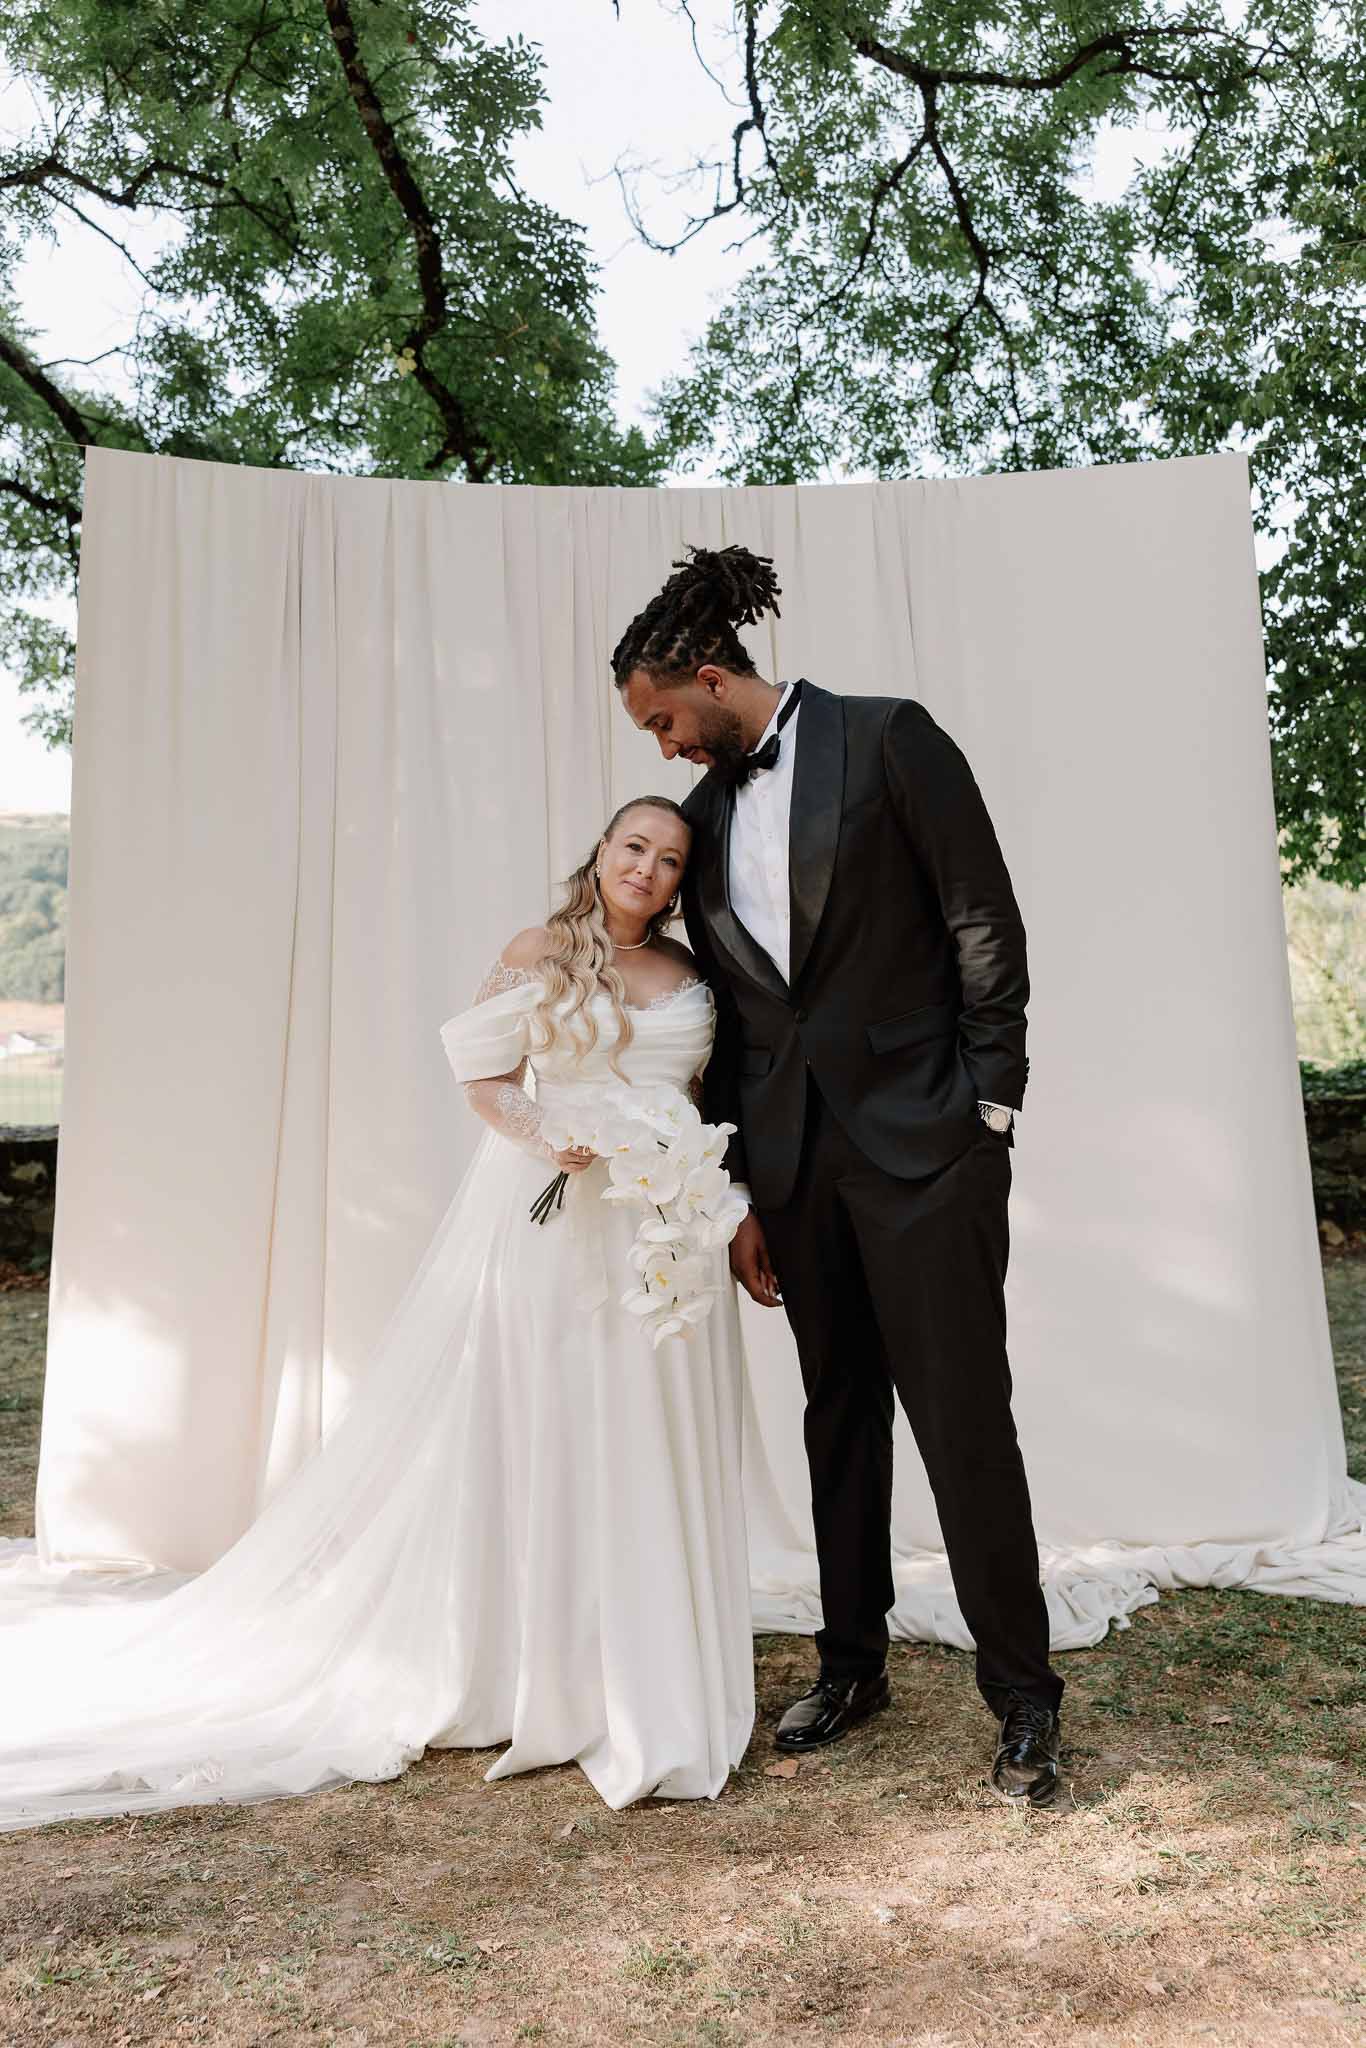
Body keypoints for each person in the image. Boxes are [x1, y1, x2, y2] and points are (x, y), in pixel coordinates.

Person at [0, 798, 755, 1833]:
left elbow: (715, 1099)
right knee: (553, 1424)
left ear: (680, 881)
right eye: (634, 846)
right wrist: (553, 1131)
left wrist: (709, 1191)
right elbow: (484, 1076)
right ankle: (542, 1663)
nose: (647, 868)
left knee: (646, 1430)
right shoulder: (540, 950)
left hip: (665, 1237)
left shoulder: (692, 975)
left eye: (669, 859)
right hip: (556, 1228)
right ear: (602, 851)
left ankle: (647, 1651)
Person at [614, 542, 1065, 1807]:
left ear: (711, 676)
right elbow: (738, 1023)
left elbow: (983, 915)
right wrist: (746, 1190)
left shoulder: (890, 738)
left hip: (933, 1151)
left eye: (662, 718)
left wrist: (992, 1104)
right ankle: (849, 1662)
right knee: (836, 1420)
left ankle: (1024, 1697)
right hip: (799, 1174)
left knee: (965, 1422)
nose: (660, 746)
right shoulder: (699, 825)